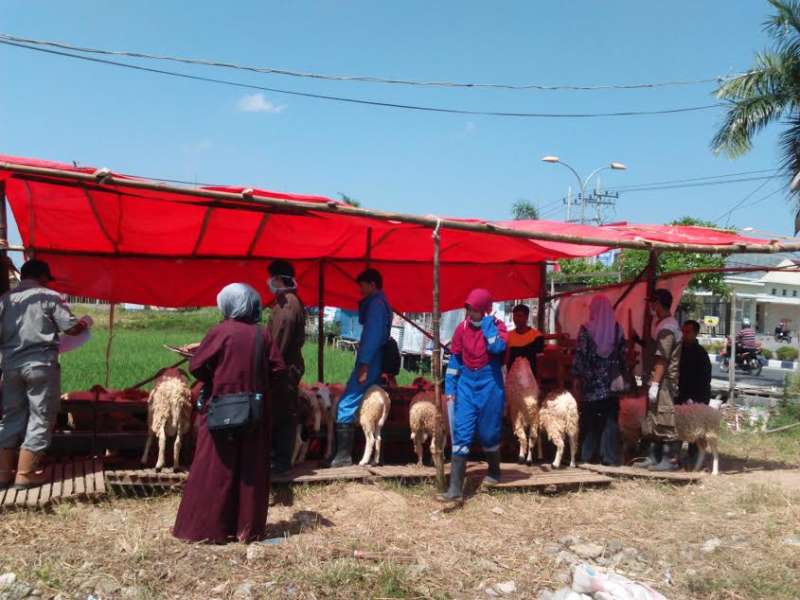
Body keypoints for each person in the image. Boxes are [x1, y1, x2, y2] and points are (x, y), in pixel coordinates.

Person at [173, 283, 284, 544]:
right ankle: (247, 530)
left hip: (220, 409)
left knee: (214, 468)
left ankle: (207, 530)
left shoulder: (220, 332)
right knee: (250, 468)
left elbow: (197, 365)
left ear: (229, 306)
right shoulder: (262, 335)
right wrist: (257, 385)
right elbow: (278, 369)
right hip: (253, 412)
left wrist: (219, 378)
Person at [0, 259, 92, 489]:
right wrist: (85, 322)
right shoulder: (49, 297)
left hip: (10, 367)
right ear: (42, 277)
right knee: (40, 416)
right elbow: (71, 328)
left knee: (11, 417)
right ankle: (26, 473)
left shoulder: (4, 300)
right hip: (40, 365)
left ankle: (2, 473)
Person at [438, 289, 508, 503]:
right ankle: (455, 489)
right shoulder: (461, 329)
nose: (470, 313)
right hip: (466, 384)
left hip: (490, 384)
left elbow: (498, 347)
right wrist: (450, 388)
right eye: (468, 308)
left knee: (489, 433)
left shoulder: (498, 327)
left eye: (476, 309)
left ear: (484, 310)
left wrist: (488, 328)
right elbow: (455, 360)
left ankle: (494, 471)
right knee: (461, 431)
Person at [329, 269, 392, 468]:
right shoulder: (382, 303)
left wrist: (364, 365)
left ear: (372, 285)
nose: (360, 289)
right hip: (376, 359)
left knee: (347, 403)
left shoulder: (375, 305)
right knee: (369, 405)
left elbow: (372, 336)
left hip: (370, 360)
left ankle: (343, 456)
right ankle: (376, 456)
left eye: (362, 285)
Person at [571, 295, 627, 466]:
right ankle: (608, 457)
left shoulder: (586, 330)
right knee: (610, 420)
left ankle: (587, 455)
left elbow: (580, 356)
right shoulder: (618, 329)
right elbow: (622, 355)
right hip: (611, 382)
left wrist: (576, 376)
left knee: (589, 417)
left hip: (592, 382)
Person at [266, 260, 306, 474]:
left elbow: (279, 342)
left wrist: (270, 364)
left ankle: (280, 461)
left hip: (283, 370)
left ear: (280, 279)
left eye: (272, 278)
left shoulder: (287, 305)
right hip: (286, 368)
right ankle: (279, 458)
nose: (269, 282)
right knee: (283, 413)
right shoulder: (287, 301)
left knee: (282, 415)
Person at [638, 288, 682, 472]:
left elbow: (662, 357)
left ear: (658, 303)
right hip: (659, 379)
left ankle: (670, 460)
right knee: (654, 419)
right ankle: (653, 457)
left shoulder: (667, 328)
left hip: (663, 381)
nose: (650, 307)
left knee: (664, 418)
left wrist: (655, 383)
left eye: (652, 303)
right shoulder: (662, 324)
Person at [677, 320, 711, 406]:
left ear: (695, 333)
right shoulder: (678, 350)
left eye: (687, 332)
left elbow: (704, 379)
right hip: (679, 395)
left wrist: (694, 398)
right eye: (683, 331)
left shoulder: (700, 353)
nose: (684, 334)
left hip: (695, 398)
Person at [505, 304, 544, 374]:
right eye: (515, 316)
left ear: (526, 317)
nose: (516, 319)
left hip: (531, 375)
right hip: (513, 375)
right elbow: (507, 358)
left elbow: (539, 360)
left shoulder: (536, 336)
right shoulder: (508, 335)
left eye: (520, 316)